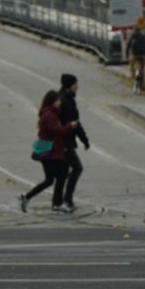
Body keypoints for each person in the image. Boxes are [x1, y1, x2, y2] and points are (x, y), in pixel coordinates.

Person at [19, 89, 75, 212]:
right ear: (53, 101)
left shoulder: (50, 113)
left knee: (51, 179)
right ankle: (57, 204)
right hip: (52, 153)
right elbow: (56, 131)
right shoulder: (50, 115)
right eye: (58, 100)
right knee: (60, 176)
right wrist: (69, 126)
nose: (60, 102)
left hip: (52, 151)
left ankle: (27, 197)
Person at [54, 72, 89, 211]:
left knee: (64, 172)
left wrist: (84, 139)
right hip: (64, 143)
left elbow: (76, 123)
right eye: (75, 84)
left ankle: (59, 201)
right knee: (76, 168)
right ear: (69, 86)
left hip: (67, 142)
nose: (77, 87)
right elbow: (70, 123)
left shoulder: (69, 100)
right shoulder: (63, 101)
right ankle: (65, 200)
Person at [127, 28, 145, 94]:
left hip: (134, 55)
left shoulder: (132, 36)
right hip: (142, 55)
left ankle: (133, 77)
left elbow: (128, 45)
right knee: (142, 69)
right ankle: (143, 85)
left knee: (132, 66)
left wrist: (127, 53)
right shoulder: (143, 37)